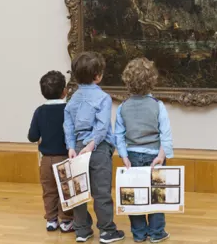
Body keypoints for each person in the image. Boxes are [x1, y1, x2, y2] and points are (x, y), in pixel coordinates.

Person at [64, 51, 125, 243]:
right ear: (98, 76)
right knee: (101, 191)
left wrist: (71, 147)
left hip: (78, 148)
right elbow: (102, 126)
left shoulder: (72, 99)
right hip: (98, 149)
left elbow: (68, 126)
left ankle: (82, 230)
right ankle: (107, 231)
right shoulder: (103, 98)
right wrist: (92, 145)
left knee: (79, 191)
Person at [114, 58, 173, 243]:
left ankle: (139, 234)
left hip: (131, 156)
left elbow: (119, 135)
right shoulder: (158, 105)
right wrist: (162, 155)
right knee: (156, 196)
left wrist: (123, 156)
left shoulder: (122, 107)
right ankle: (156, 233)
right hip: (155, 156)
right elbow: (166, 133)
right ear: (152, 80)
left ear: (127, 81)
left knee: (134, 196)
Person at [27, 70, 74, 233]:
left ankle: (51, 220)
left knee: (49, 190)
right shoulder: (68, 110)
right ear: (64, 91)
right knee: (66, 190)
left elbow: (32, 136)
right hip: (65, 157)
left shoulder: (39, 111)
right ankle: (66, 221)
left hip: (46, 160)